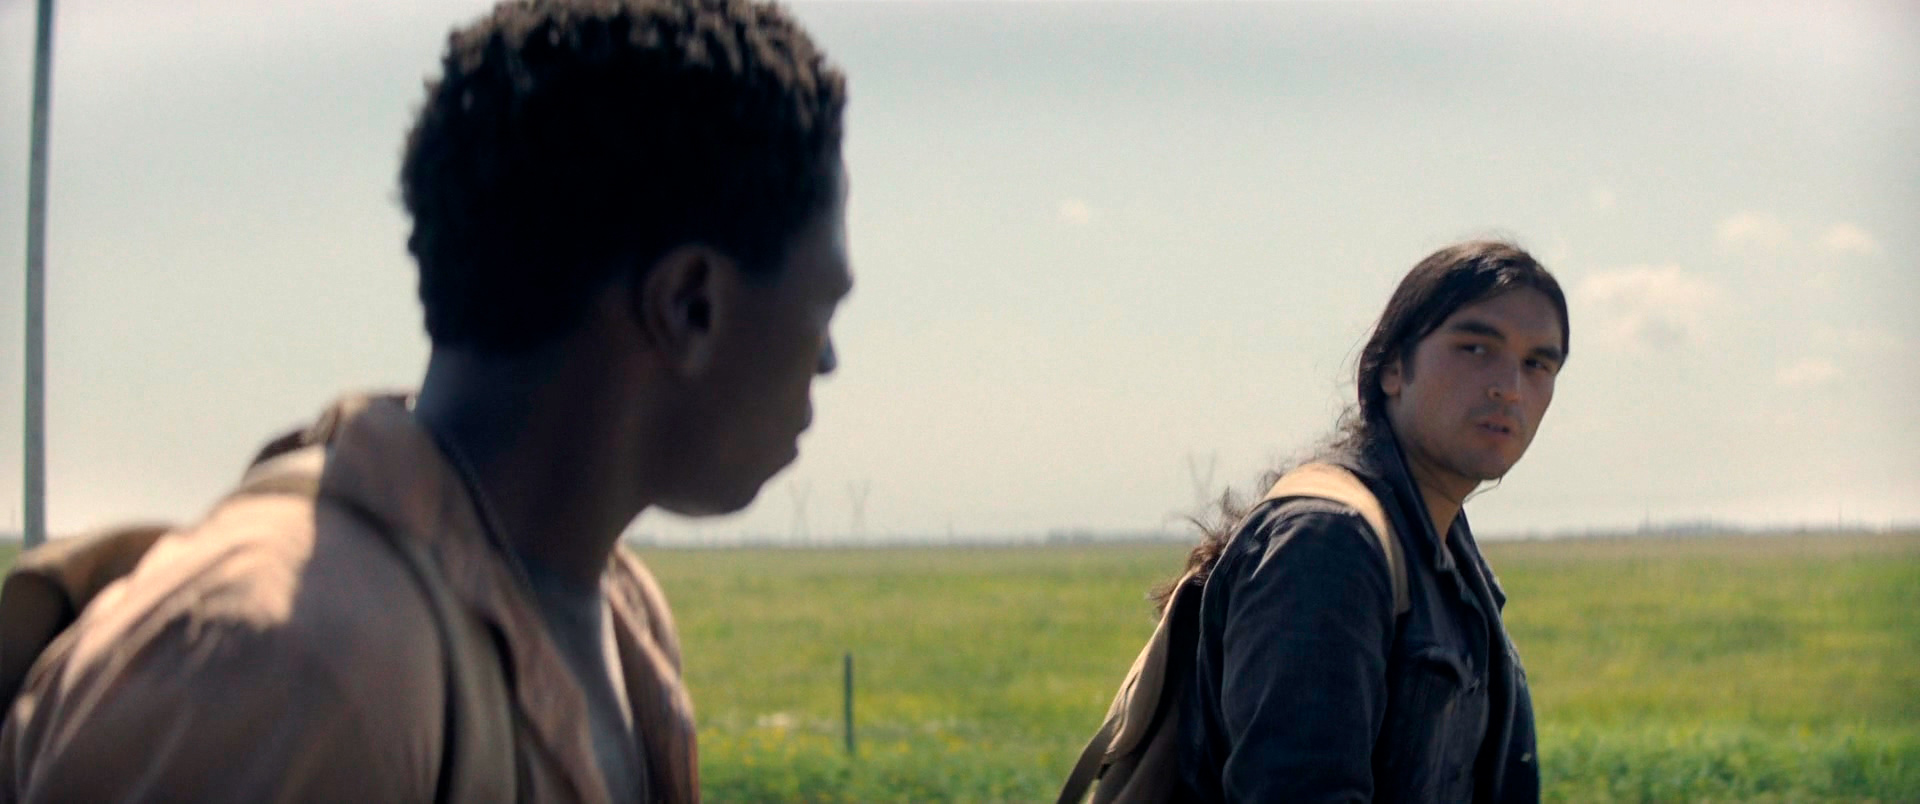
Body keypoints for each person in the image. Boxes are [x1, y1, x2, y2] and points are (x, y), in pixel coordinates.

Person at [0, 0, 849, 800]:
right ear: (690, 306)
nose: (828, 360)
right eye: (823, 310)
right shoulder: (298, 663)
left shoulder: (620, 615)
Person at [1175, 240, 1567, 802]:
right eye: (1475, 348)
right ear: (1392, 369)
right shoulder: (1328, 544)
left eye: (1537, 363)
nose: (1509, 387)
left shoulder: (1443, 546)